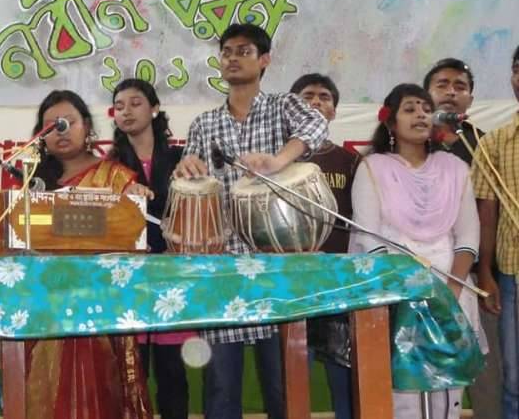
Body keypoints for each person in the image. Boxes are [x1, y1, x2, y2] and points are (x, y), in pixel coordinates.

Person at [174, 23, 328, 419]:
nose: (232, 58)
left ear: (264, 60)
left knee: (284, 389)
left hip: (278, 268)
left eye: (243, 51)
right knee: (220, 392)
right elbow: (192, 183)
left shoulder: (282, 106)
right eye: (226, 51)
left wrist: (279, 160)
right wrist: (187, 169)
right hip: (222, 269)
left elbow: (316, 125)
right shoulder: (204, 124)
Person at [349, 83, 485, 418]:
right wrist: (405, 293)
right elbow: (368, 236)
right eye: (410, 109)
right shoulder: (372, 168)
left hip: (451, 293)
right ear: (390, 122)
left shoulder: (455, 168)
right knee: (401, 398)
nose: (421, 114)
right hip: (395, 296)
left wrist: (449, 291)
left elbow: (468, 235)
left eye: (426, 108)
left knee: (448, 395)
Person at [27, 90, 152, 419]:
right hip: (44, 309)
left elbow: (132, 238)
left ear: (87, 127)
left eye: (68, 123)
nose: (61, 131)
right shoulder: (33, 183)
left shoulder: (115, 178)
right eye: (52, 126)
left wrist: (131, 202)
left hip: (99, 307)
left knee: (97, 394)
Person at [108, 78, 194, 419]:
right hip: (129, 280)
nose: (126, 112)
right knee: (132, 374)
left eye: (135, 103)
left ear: (154, 108)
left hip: (172, 276)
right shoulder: (110, 167)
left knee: (173, 374)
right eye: (119, 106)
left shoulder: (180, 159)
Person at [424, 57, 501, 418]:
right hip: (426, 272)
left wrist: (485, 272)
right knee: (428, 369)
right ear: (427, 93)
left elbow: (489, 211)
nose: (451, 92)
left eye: (460, 86)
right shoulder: (413, 141)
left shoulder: (483, 145)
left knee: (487, 371)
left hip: (477, 276)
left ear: (470, 98)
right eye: (442, 84)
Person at [290, 73, 360, 419]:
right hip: (292, 280)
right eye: (307, 96)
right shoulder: (278, 159)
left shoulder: (350, 161)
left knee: (342, 371)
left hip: (338, 278)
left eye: (324, 97)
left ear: (333, 111)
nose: (316, 102)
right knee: (291, 374)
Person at [471, 44, 519, 419]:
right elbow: (486, 213)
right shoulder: (494, 142)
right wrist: (485, 272)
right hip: (513, 275)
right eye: (518, 69)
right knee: (515, 381)